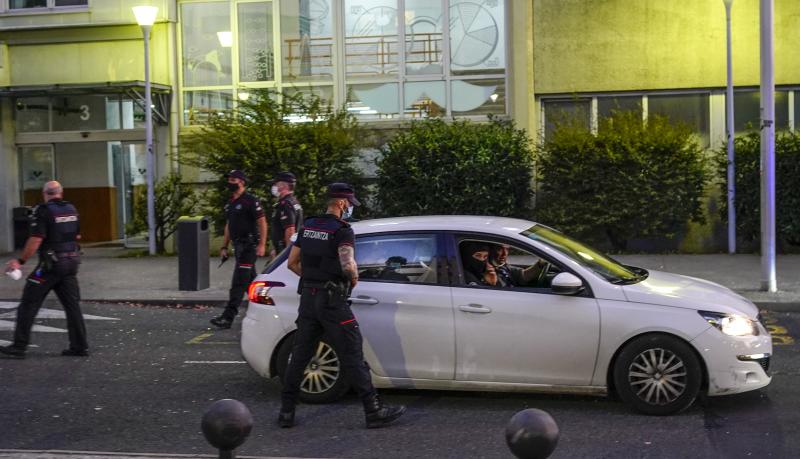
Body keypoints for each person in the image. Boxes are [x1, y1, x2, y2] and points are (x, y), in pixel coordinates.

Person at [278, 182, 406, 429]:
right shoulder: (342, 230)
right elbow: (348, 265)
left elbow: (292, 263)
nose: (349, 208)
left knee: (301, 354)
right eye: (349, 203)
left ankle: (286, 412)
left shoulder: (309, 226)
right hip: (332, 302)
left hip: (308, 299)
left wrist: (313, 279)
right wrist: (351, 280)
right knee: (352, 352)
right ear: (340, 202)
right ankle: (373, 410)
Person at [1, 181, 88, 359]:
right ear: (60, 193)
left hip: (49, 266)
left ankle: (19, 346)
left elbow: (36, 239)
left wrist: (20, 261)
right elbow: (77, 235)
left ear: (45, 193)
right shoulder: (72, 209)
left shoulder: (43, 211)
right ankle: (79, 346)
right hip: (71, 264)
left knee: (28, 304)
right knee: (72, 306)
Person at [210, 170, 268, 329]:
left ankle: (227, 318)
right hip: (238, 247)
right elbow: (229, 225)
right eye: (228, 179)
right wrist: (224, 245)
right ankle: (267, 310)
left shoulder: (250, 201)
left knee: (238, 283)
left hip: (249, 247)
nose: (229, 182)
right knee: (252, 283)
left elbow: (262, 222)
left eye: (233, 179)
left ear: (242, 182)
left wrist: (262, 244)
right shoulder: (230, 202)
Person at [269, 171, 303, 258]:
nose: (274, 187)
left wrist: (287, 255)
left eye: (276, 184)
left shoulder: (285, 204)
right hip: (283, 248)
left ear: (283, 186)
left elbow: (290, 229)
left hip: (284, 248)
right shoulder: (293, 202)